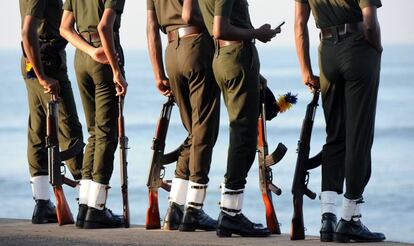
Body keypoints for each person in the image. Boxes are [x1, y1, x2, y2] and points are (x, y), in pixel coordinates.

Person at [294, 0, 385, 243]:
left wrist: (305, 70)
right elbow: (370, 22)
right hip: (357, 47)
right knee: (359, 137)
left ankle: (328, 218)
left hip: (327, 52)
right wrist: (377, 48)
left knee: (335, 136)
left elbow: (300, 24)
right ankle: (351, 219)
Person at [198, 0, 280, 237]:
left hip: (225, 56)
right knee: (243, 136)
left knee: (240, 133)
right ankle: (231, 213)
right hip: (235, 56)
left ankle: (230, 210)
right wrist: (257, 33)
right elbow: (220, 28)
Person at [146, 0, 221, 231]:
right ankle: (194, 208)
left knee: (195, 132)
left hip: (172, 51)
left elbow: (151, 25)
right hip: (197, 45)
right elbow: (190, 15)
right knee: (204, 131)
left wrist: (158, 71)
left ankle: (176, 206)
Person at [60, 0, 127, 229]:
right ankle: (97, 209)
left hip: (82, 58)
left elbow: (64, 27)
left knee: (94, 133)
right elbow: (104, 27)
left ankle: (85, 206)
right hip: (105, 56)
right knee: (107, 134)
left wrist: (89, 51)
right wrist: (116, 71)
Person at [19, 0, 84, 224]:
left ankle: (43, 203)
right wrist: (43, 76)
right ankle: (86, 202)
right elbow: (28, 33)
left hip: (36, 62)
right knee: (70, 131)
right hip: (46, 64)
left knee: (38, 130)